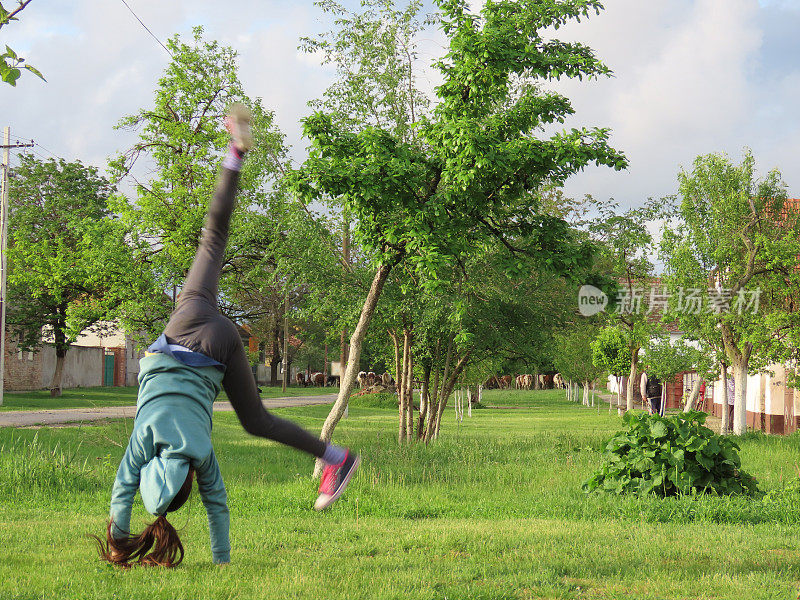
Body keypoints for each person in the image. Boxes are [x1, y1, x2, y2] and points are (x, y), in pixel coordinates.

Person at [91, 105, 359, 568]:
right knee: (212, 237)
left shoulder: (200, 457)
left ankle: (336, 457)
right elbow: (122, 491)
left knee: (257, 421)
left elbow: (217, 508)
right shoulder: (141, 441)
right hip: (185, 321)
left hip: (221, 342)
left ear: (183, 484)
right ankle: (235, 152)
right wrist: (117, 533)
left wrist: (221, 562)